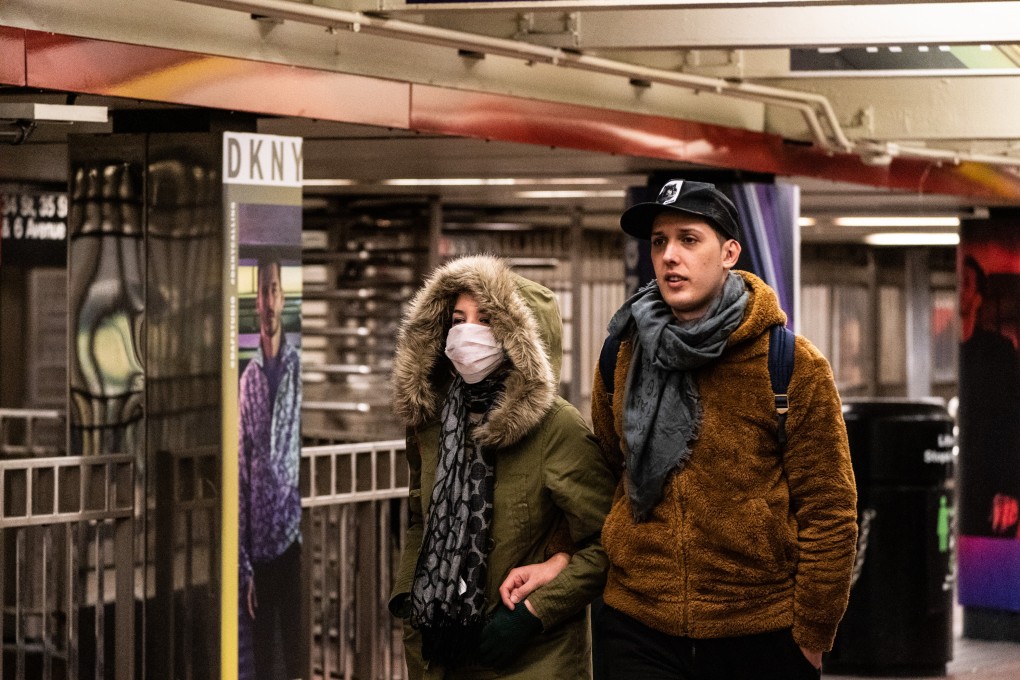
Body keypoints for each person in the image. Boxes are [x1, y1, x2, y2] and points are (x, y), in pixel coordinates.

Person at [507, 180, 858, 679]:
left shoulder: (790, 365)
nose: (670, 255)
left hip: (758, 629)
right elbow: (601, 476)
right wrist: (560, 554)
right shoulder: (622, 354)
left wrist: (812, 635)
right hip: (637, 621)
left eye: (688, 239)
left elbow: (831, 510)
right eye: (659, 241)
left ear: (729, 252)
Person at [388, 254, 616, 680]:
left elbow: (610, 541)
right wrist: (408, 596)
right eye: (458, 319)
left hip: (532, 658)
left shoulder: (557, 428)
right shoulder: (431, 422)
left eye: (486, 320)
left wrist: (534, 611)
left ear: (520, 337)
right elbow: (422, 517)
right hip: (439, 655)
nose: (466, 333)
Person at [239, 258, 303, 680]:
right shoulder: (248, 379)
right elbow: (241, 474)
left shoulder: (300, 371)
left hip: (294, 537)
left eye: (275, 289)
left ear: (283, 297)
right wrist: (244, 562)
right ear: (255, 301)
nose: (268, 301)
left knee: (295, 652)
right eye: (262, 292)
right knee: (262, 656)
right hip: (259, 546)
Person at [957, 254, 1020, 537]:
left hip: (987, 491)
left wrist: (1009, 489)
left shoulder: (999, 353)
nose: (958, 288)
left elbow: (1012, 424)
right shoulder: (939, 348)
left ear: (978, 298)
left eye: (966, 283)